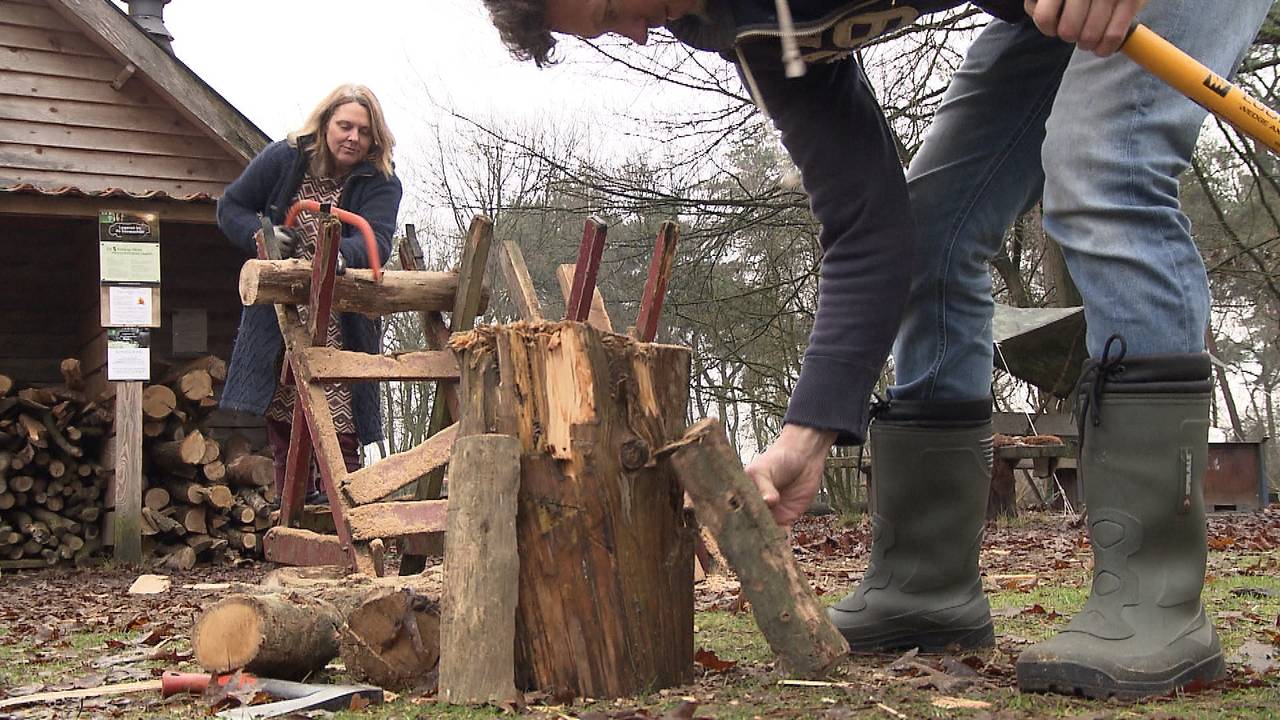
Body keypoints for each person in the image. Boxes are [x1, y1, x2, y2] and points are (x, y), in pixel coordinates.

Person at [217, 84, 402, 503]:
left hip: (343, 320)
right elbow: (230, 207)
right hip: (281, 317)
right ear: (325, 124)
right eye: (345, 126)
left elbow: (378, 240)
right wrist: (262, 235)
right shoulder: (284, 159)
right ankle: (293, 516)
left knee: (343, 420)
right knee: (285, 414)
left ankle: (349, 518)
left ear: (375, 139)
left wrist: (338, 255)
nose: (353, 137)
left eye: (364, 131)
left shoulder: (382, 182)